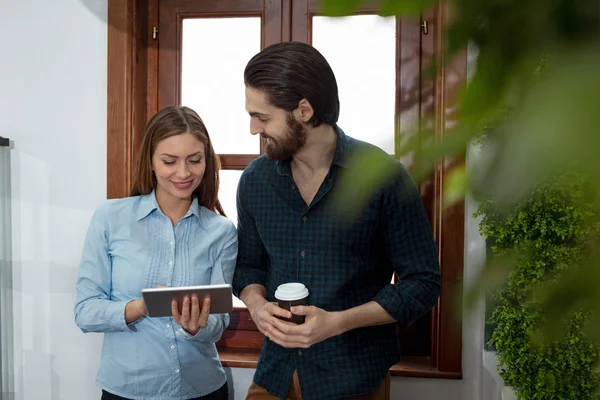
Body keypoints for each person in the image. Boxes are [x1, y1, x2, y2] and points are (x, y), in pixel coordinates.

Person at [232, 42, 441, 400]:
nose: (253, 129)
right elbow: (249, 267)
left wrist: (337, 322)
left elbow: (422, 283)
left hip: (354, 378)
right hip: (274, 376)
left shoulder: (382, 178)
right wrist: (257, 306)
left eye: (262, 117)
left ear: (304, 110)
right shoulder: (255, 180)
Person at [75, 105, 237, 400]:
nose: (184, 172)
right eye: (169, 161)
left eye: (194, 160)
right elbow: (85, 311)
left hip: (202, 389)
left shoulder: (222, 231)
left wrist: (196, 327)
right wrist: (142, 307)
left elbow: (219, 322)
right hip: (127, 390)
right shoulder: (111, 217)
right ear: (150, 161)